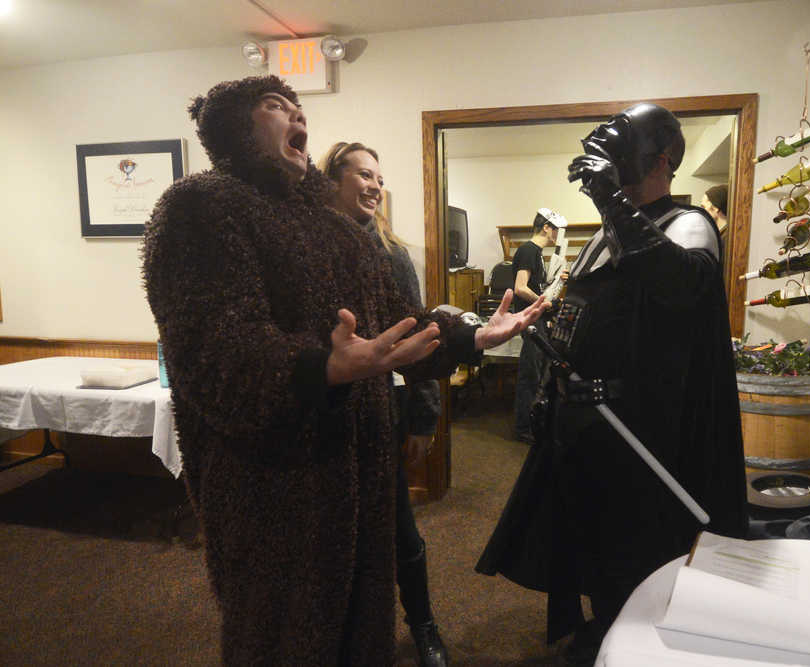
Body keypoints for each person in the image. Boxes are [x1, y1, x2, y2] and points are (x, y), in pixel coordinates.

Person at [142, 75, 547, 665]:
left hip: (360, 466)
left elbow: (395, 325)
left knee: (362, 624)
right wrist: (320, 367)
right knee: (281, 632)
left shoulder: (341, 233)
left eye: (299, 106)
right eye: (276, 106)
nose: (296, 116)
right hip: (273, 481)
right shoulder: (198, 207)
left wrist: (471, 336)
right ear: (233, 124)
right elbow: (212, 354)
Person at [476, 103, 748, 665]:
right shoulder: (605, 235)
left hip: (643, 428)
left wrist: (611, 200)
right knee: (589, 537)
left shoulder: (688, 223)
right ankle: (605, 626)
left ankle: (636, 644)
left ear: (661, 160)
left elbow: (680, 285)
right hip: (587, 422)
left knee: (636, 546)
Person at [319, 140, 448, 667]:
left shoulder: (392, 254)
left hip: (379, 411)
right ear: (333, 180)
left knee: (401, 528)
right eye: (363, 175)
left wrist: (424, 416)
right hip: (324, 411)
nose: (374, 185)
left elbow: (421, 334)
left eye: (379, 177)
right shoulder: (310, 247)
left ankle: (424, 627)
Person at [511, 208, 566, 443]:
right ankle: (523, 428)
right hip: (529, 317)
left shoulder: (537, 253)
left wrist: (555, 283)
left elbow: (535, 287)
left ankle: (531, 423)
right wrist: (544, 303)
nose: (558, 234)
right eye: (556, 229)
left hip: (536, 317)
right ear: (546, 227)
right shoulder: (528, 250)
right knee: (530, 374)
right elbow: (520, 288)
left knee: (539, 371)